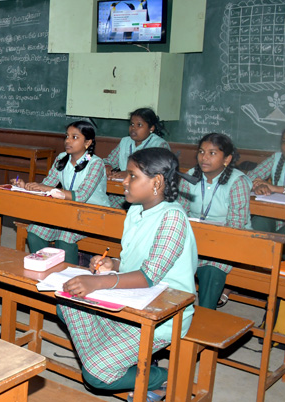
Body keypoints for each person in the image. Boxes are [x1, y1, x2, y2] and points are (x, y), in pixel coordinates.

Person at [61, 148, 197, 402]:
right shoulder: (135, 209)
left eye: (132, 176)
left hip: (163, 313)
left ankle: (164, 376)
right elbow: (132, 261)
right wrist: (111, 263)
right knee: (67, 302)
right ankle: (112, 353)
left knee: (96, 375)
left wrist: (98, 282)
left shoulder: (172, 218)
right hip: (131, 298)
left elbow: (149, 275)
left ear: (156, 182)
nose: (124, 181)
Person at [14, 121, 110, 264]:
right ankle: (44, 266)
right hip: (67, 210)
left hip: (93, 213)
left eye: (74, 137)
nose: (68, 141)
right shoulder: (62, 158)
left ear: (88, 142)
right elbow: (46, 185)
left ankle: (69, 272)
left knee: (65, 237)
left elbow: (81, 196)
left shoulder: (95, 163)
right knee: (35, 231)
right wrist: (26, 186)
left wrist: (48, 189)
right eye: (67, 136)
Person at [179, 133, 251, 309]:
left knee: (213, 268)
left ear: (227, 159)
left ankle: (207, 312)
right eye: (201, 152)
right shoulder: (190, 176)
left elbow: (235, 227)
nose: (204, 157)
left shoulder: (237, 182)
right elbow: (181, 212)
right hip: (195, 236)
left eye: (212, 153)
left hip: (228, 240)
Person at [104, 108, 170, 208]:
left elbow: (159, 173)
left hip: (146, 196)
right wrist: (108, 166)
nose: (133, 128)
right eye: (132, 124)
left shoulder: (159, 145)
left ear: (151, 128)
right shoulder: (125, 142)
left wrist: (130, 174)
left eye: (139, 125)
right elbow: (109, 161)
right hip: (121, 194)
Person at [249, 127, 285, 236]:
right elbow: (249, 178)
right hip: (274, 215)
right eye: (284, 141)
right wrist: (258, 186)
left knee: (281, 238)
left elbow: (274, 188)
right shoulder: (277, 158)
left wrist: (275, 188)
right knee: (257, 224)